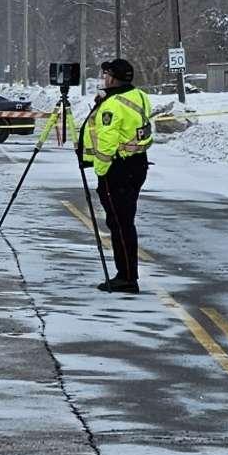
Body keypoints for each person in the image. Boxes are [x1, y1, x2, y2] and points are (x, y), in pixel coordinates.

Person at [84, 58, 153, 294]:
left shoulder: (113, 106)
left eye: (106, 75)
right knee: (124, 222)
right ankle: (126, 274)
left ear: (114, 78)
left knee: (120, 224)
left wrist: (101, 172)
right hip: (137, 164)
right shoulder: (139, 96)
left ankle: (126, 277)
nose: (104, 78)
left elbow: (107, 140)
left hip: (118, 169)